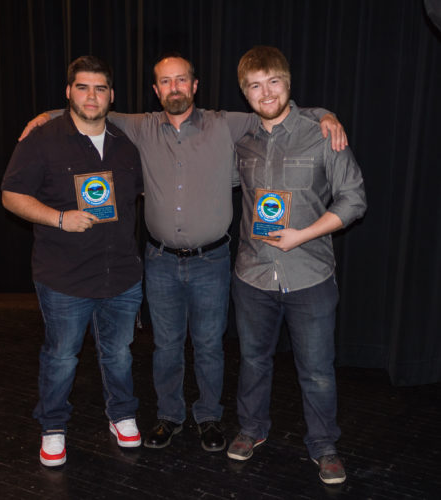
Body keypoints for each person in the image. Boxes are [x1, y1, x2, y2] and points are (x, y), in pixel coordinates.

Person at [19, 53, 347, 453]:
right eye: (165, 82)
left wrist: (326, 115)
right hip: (159, 260)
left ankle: (208, 416)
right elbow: (90, 108)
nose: (174, 88)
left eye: (181, 81)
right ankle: (169, 416)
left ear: (194, 86)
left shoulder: (227, 123)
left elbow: (276, 107)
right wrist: (43, 116)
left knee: (210, 345)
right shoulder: (139, 126)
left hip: (213, 260)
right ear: (155, 90)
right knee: (166, 347)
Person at [226, 46, 366, 485]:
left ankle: (324, 446)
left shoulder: (323, 133)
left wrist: (302, 236)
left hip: (310, 274)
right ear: (245, 93)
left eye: (273, 82)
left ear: (288, 84)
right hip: (252, 276)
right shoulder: (242, 141)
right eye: (254, 85)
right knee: (252, 361)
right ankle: (251, 430)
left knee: (318, 371)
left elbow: (355, 199)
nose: (265, 93)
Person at [2, 56, 144, 467]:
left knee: (118, 353)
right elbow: (11, 195)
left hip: (120, 275)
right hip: (63, 278)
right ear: (69, 92)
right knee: (61, 356)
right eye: (82, 87)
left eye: (100, 88)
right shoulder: (42, 140)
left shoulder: (125, 145)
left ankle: (121, 414)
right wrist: (59, 218)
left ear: (111, 96)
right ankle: (53, 425)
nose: (91, 96)